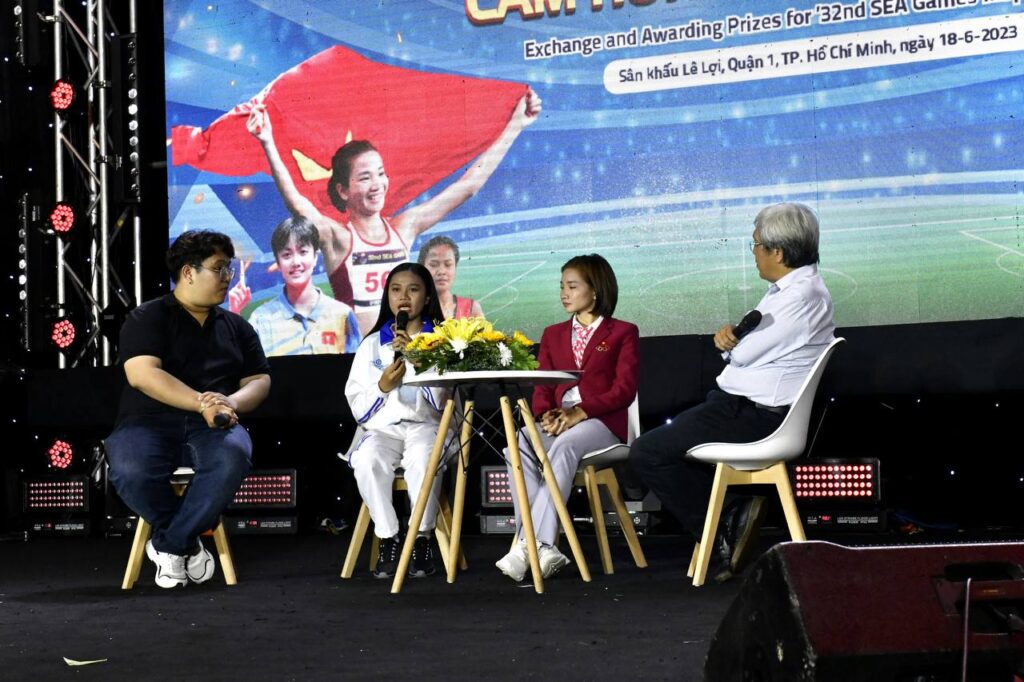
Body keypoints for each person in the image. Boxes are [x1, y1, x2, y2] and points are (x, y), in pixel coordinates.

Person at [629, 202, 835, 581]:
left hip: (752, 415)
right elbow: (741, 349)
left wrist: (730, 345)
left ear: (778, 252)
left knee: (647, 452)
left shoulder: (799, 298)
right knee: (664, 448)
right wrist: (732, 345)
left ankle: (728, 519)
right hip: (739, 408)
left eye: (756, 244)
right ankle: (730, 518)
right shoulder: (791, 291)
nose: (753, 252)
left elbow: (741, 354)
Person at [247, 89, 541, 335]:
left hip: (408, 356)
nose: (377, 184)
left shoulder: (404, 228)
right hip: (359, 360)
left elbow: (467, 188)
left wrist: (515, 125)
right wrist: (268, 142)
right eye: (365, 178)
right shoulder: (339, 239)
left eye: (381, 173)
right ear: (343, 190)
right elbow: (297, 204)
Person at [105, 230, 271, 589]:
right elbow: (141, 374)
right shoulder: (148, 317)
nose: (227, 277)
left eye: (228, 269)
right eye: (219, 268)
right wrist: (200, 402)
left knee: (232, 457)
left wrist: (230, 402)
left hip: (214, 424)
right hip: (146, 422)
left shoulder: (237, 327)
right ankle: (188, 543)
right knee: (130, 469)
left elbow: (260, 379)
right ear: (188, 272)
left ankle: (169, 543)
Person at [495, 254, 640, 582]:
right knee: (519, 442)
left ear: (596, 290)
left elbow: (624, 390)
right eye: (562, 286)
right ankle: (542, 548)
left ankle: (529, 544)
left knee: (565, 446)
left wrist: (580, 412)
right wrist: (545, 415)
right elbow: (543, 386)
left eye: (572, 286)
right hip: (559, 419)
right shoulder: (553, 334)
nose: (564, 293)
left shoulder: (623, 332)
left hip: (602, 422)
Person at [343, 263, 449, 579]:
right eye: (396, 289)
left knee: (422, 459)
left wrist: (416, 359)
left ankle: (421, 537)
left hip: (427, 426)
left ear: (427, 297)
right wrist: (382, 386)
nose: (404, 297)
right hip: (384, 429)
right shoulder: (371, 345)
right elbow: (359, 409)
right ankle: (388, 537)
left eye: (413, 289)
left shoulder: (442, 341)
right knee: (367, 459)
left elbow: (441, 401)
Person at [246, 216, 362, 356]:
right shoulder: (260, 320)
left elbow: (357, 367)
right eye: (287, 255)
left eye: (303, 252)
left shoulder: (342, 315)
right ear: (278, 262)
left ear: (315, 257)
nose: (296, 262)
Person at [417, 235, 484, 320]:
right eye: (434, 265)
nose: (442, 271)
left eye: (448, 264)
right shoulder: (412, 310)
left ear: (455, 267)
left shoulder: (471, 309)